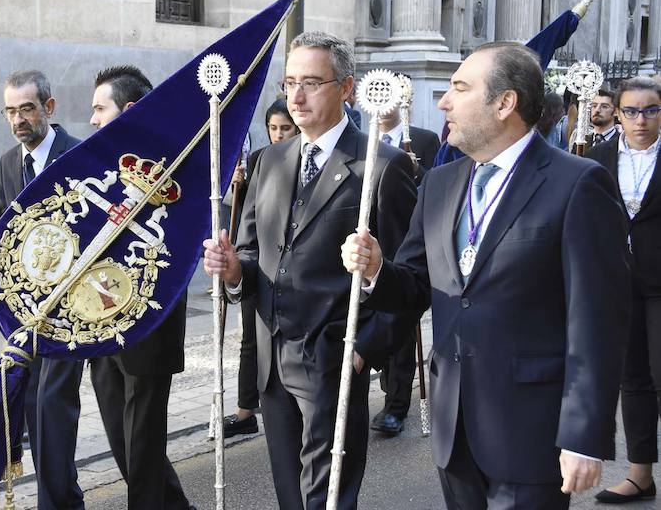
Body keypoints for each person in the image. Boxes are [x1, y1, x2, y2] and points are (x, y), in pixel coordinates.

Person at [342, 41, 630, 509]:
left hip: (532, 433)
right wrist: (377, 269)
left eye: (459, 87)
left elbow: (598, 320)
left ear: (504, 103)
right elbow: (416, 287)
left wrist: (584, 435)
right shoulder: (439, 183)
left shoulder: (577, 184)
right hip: (454, 428)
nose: (443, 101)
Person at [203, 31, 418, 509]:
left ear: (345, 88)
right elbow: (251, 253)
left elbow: (407, 280)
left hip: (334, 358)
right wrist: (235, 271)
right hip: (271, 359)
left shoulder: (381, 166)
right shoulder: (269, 160)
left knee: (328, 497)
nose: (296, 97)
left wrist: (362, 352)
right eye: (289, 83)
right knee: (290, 496)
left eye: (312, 83)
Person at [0, 69, 84, 510]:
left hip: (73, 309)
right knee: (32, 409)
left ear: (48, 108)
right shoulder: (8, 163)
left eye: (27, 109)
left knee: (51, 409)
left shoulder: (78, 154)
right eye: (11, 111)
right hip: (27, 310)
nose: (18, 120)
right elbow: (9, 233)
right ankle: (64, 499)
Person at [88, 65, 195, 510]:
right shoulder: (97, 161)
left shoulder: (177, 162)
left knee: (144, 448)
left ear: (130, 110)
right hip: (100, 319)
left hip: (149, 322)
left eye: (100, 108)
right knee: (124, 444)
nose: (93, 119)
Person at [588, 77, 660, 505]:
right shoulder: (597, 160)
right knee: (632, 378)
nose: (640, 120)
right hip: (619, 282)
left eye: (650, 110)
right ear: (618, 114)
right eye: (631, 111)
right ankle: (640, 474)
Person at [223, 98, 299, 438]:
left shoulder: (303, 160)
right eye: (273, 128)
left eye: (285, 128)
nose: (279, 135)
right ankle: (244, 409)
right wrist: (235, 182)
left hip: (290, 267)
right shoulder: (259, 159)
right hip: (257, 261)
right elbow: (240, 210)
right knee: (250, 337)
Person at [370, 93, 440, 435]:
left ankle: (396, 405)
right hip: (370, 242)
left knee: (400, 326)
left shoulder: (425, 139)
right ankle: (385, 387)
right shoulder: (362, 136)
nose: (382, 107)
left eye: (388, 100)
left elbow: (440, 184)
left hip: (406, 240)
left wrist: (418, 169)